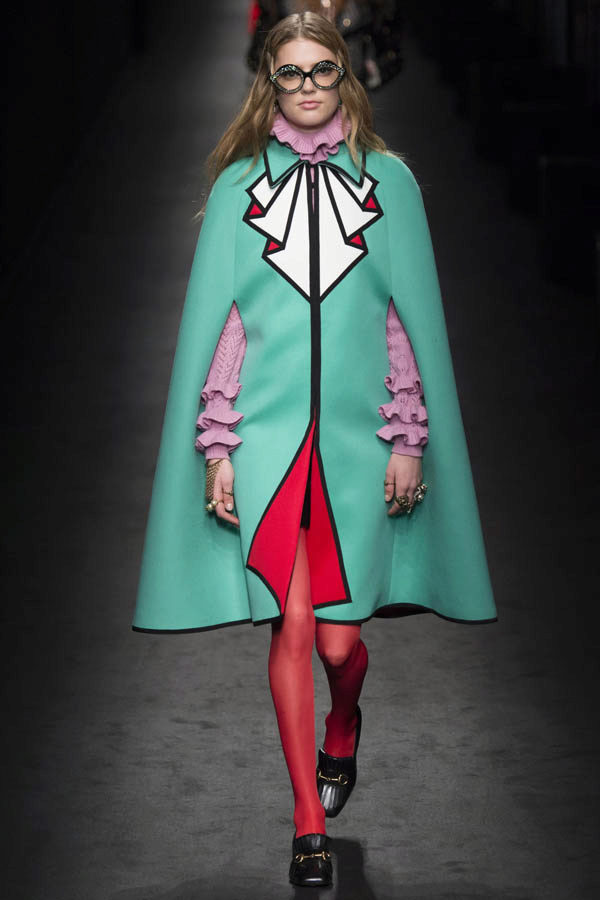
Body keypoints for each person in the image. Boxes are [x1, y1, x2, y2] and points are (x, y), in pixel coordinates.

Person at [132, 10, 497, 889]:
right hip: (267, 439)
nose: (306, 87)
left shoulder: (388, 183)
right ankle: (306, 823)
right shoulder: (238, 188)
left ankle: (343, 724)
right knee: (292, 627)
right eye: (289, 73)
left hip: (356, 443)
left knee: (339, 646)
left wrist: (408, 437)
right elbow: (226, 325)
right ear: (270, 82)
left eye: (320, 70)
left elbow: (403, 321)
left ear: (345, 76)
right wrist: (218, 448)